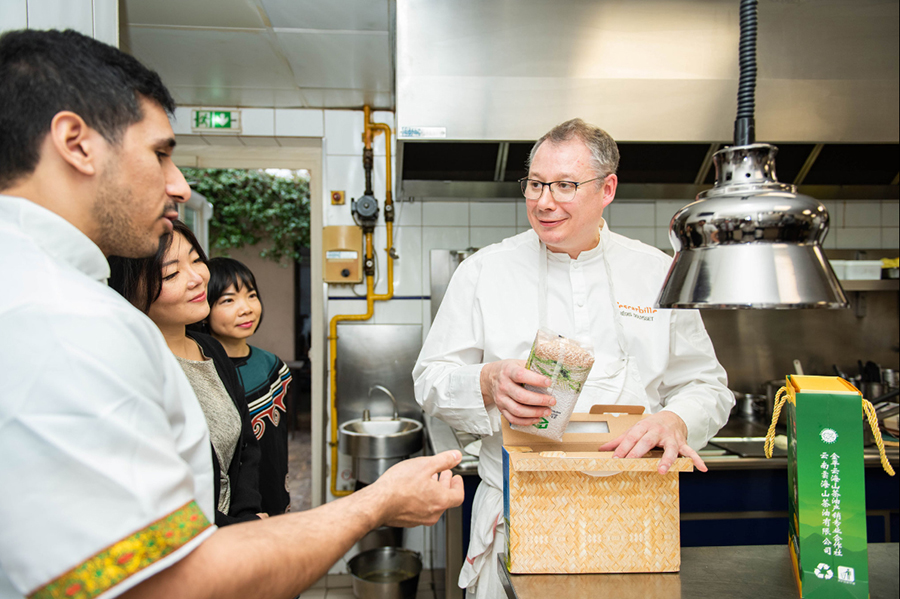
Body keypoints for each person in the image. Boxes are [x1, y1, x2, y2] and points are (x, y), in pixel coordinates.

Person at [0, 28, 463, 599]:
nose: (179, 184)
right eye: (160, 153)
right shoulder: (66, 322)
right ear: (76, 142)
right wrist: (378, 502)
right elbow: (174, 583)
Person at [413, 118, 734, 599]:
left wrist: (675, 420)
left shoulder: (657, 272)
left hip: (632, 516)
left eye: (564, 185)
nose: (544, 201)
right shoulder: (483, 272)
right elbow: (429, 379)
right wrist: (487, 380)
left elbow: (708, 386)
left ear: (607, 189)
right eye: (536, 184)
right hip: (519, 513)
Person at [109, 222, 266, 526]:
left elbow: (246, 446)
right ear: (130, 290)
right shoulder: (135, 371)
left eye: (196, 260)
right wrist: (237, 530)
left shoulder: (211, 348)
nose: (197, 278)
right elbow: (159, 493)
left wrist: (246, 516)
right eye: (171, 273)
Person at [205, 257, 293, 516]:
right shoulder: (205, 371)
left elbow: (277, 446)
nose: (246, 308)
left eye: (251, 295)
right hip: (230, 511)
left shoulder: (273, 366)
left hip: (274, 492)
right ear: (204, 306)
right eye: (228, 300)